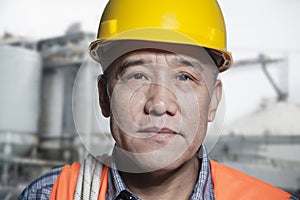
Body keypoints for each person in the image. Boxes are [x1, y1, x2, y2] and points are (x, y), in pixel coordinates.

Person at [19, 0, 298, 199]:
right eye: (137, 76)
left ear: (213, 101)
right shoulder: (50, 194)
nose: (159, 103)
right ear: (104, 96)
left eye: (185, 77)